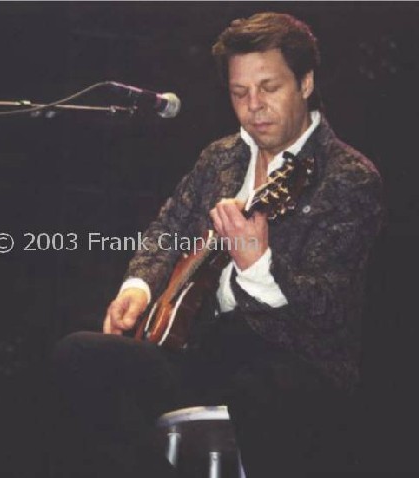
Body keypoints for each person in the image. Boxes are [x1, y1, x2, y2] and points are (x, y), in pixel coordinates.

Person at [52, 12, 383, 478]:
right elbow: (169, 228)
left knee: (260, 392)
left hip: (297, 359)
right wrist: (138, 288)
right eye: (239, 93)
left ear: (305, 83)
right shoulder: (221, 156)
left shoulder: (349, 176)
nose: (254, 107)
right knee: (80, 356)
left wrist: (258, 265)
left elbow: (328, 303)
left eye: (269, 88)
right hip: (205, 351)